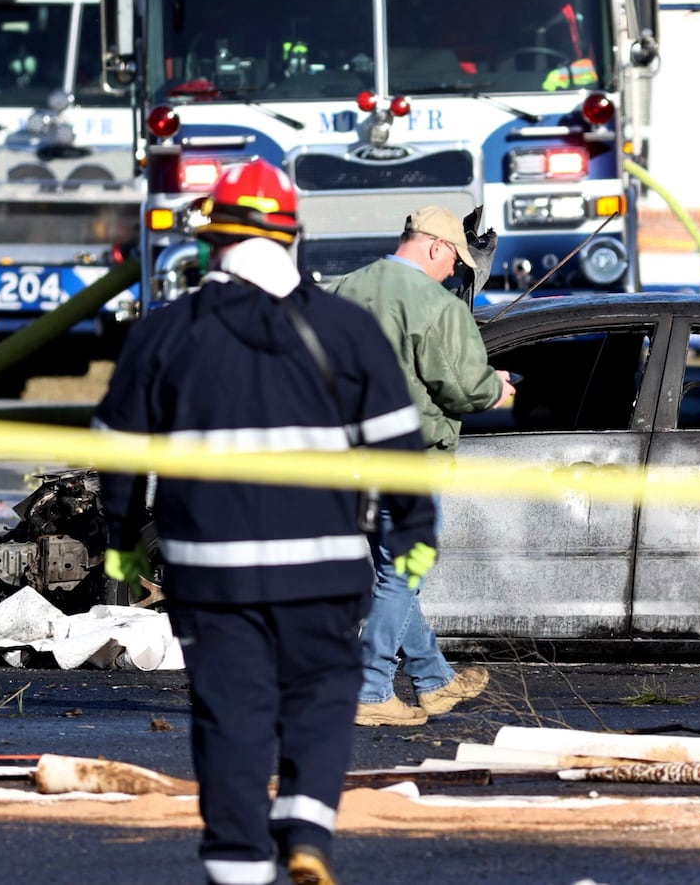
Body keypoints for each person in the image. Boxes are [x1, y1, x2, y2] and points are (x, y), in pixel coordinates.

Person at [95, 158, 436, 885]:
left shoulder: (164, 334)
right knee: (321, 690)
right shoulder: (343, 328)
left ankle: (239, 864)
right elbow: (401, 447)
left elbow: (117, 456)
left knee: (231, 711)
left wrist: (121, 544)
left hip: (210, 571)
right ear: (291, 237)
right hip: (322, 565)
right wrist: (414, 535)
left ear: (211, 239)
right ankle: (308, 826)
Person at [330, 205, 515, 726]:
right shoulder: (437, 305)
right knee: (402, 574)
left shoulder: (341, 290)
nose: (454, 272)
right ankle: (370, 691)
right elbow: (463, 387)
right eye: (454, 260)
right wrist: (495, 387)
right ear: (435, 245)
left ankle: (435, 681)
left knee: (396, 574)